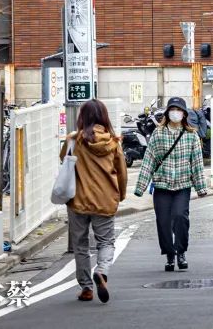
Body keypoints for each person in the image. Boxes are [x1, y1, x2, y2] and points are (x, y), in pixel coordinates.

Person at [59, 99, 127, 303]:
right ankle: (102, 271)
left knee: (80, 245)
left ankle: (86, 288)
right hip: (104, 200)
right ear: (104, 117)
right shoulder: (113, 142)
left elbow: (63, 159)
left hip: (78, 200)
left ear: (83, 117)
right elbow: (122, 173)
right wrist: (120, 195)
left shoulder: (74, 140)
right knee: (105, 242)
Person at [134, 97, 207, 272]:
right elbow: (149, 160)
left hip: (182, 185)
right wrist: (140, 187)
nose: (176, 113)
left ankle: (181, 252)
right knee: (163, 222)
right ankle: (169, 255)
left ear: (184, 114)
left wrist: (200, 187)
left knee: (181, 217)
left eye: (179, 110)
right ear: (168, 113)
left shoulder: (191, 135)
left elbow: (197, 163)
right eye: (172, 110)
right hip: (162, 185)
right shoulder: (158, 134)